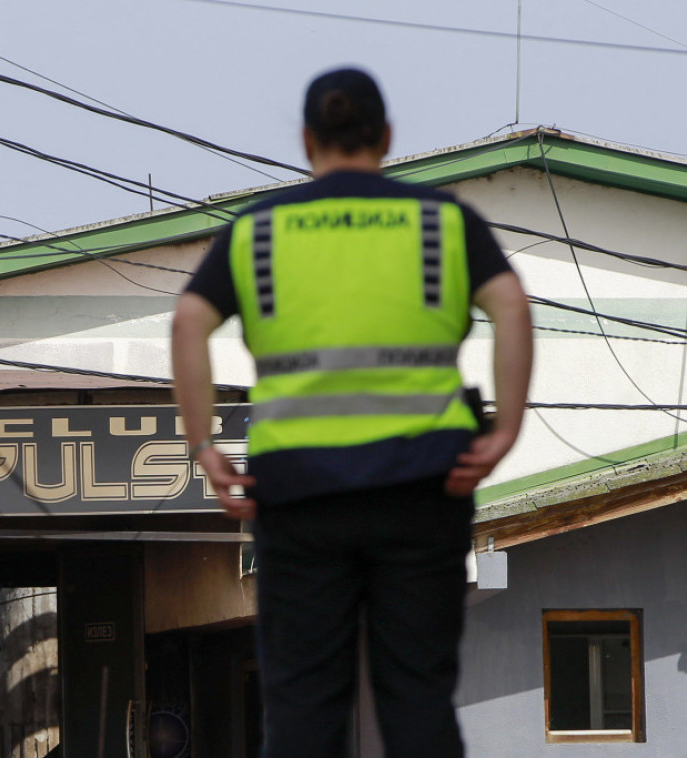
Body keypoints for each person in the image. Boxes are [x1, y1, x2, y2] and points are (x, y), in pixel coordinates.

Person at [171, 67, 532, 757]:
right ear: (387, 137)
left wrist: (203, 447)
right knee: (417, 695)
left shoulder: (260, 229)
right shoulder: (442, 221)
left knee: (304, 704)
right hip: (426, 484)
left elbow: (190, 320)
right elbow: (511, 306)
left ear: (308, 141)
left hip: (299, 493)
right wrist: (506, 427)